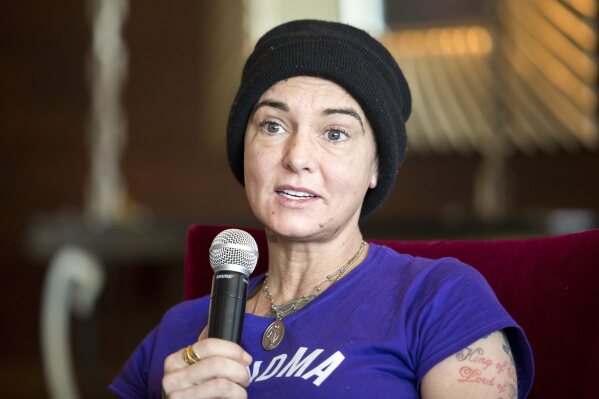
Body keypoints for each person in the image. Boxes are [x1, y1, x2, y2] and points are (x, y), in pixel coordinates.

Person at [109, 19, 534, 398]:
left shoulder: (439, 298)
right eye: (273, 126)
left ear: (376, 167)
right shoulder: (178, 330)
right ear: (244, 148)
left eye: (335, 133)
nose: (297, 157)